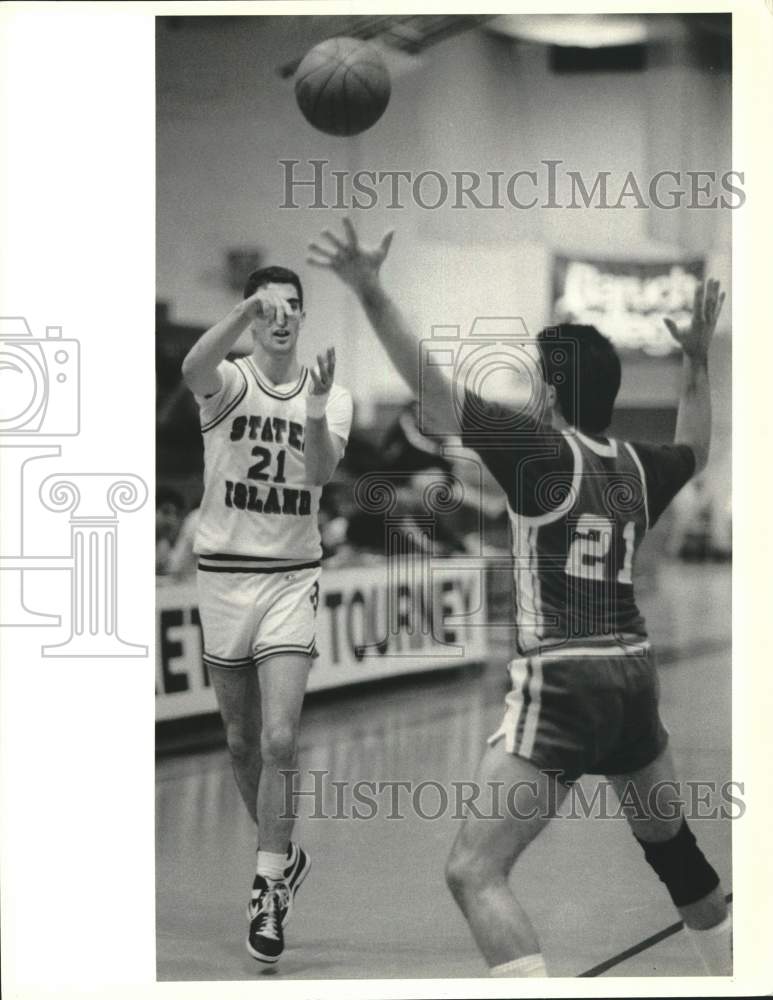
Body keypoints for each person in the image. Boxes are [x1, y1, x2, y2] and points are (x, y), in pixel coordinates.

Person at [307, 220, 731, 977]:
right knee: (675, 855)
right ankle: (735, 970)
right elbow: (698, 446)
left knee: (473, 870)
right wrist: (695, 362)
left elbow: (433, 397)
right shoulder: (639, 464)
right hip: (633, 671)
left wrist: (370, 290)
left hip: (564, 679)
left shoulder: (536, 448)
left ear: (549, 388)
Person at [180, 265, 353, 963]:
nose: (281, 318)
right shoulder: (226, 381)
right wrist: (243, 303)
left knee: (281, 739)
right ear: (254, 316)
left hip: (290, 579)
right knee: (240, 741)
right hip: (222, 580)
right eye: (268, 308)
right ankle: (281, 855)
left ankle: (266, 888)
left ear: (303, 318)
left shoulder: (331, 395)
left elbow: (318, 474)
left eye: (291, 308)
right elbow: (192, 362)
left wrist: (311, 408)